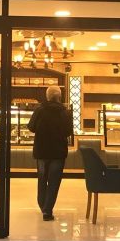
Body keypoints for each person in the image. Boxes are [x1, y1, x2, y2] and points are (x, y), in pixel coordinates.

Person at [27, 85, 72, 221]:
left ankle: (42, 205)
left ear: (47, 96)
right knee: (54, 181)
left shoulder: (39, 110)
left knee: (42, 179)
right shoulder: (65, 112)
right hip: (58, 153)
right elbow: (68, 132)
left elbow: (31, 127)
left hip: (41, 151)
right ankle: (47, 210)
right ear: (59, 97)